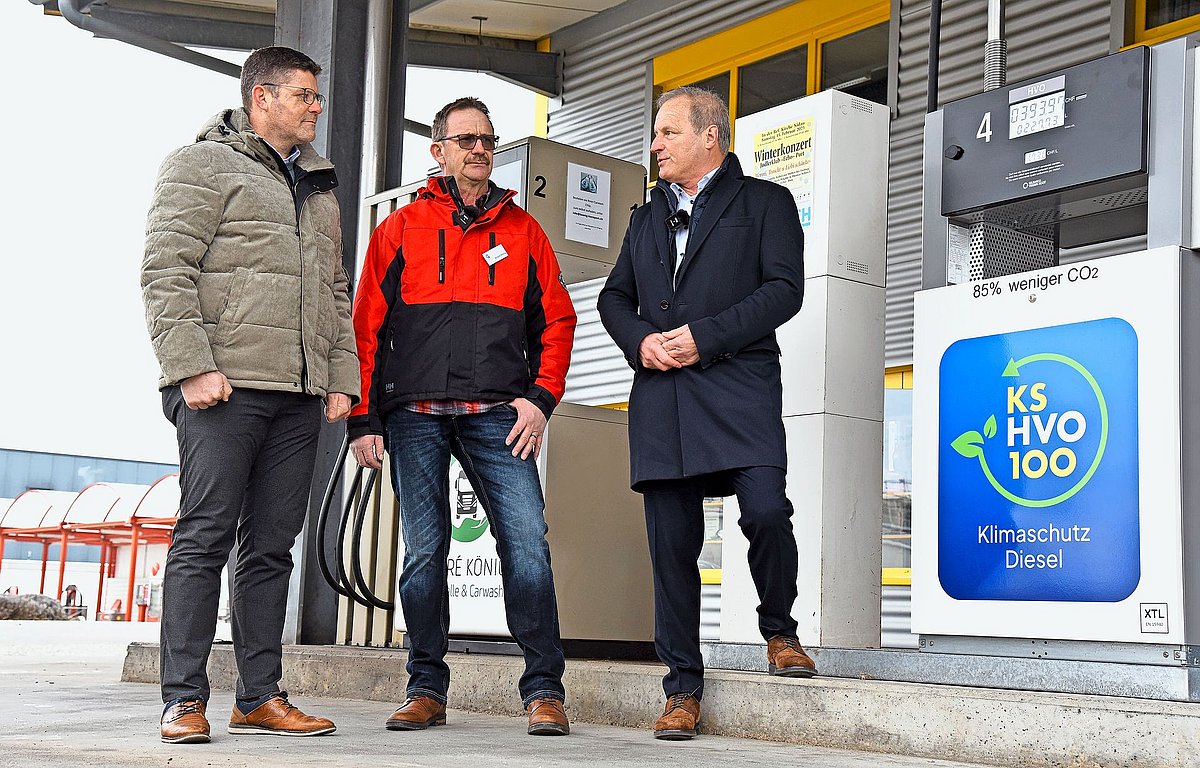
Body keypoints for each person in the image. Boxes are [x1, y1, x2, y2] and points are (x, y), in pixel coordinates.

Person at [141, 46, 359, 744]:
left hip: (298, 393)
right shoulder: (200, 164)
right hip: (222, 388)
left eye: (317, 96)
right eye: (304, 96)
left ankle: (259, 696)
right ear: (261, 97)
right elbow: (166, 270)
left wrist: (341, 376)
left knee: (270, 547)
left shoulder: (319, 184)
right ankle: (182, 699)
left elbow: (335, 291)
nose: (316, 107)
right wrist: (190, 367)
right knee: (204, 536)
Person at [349, 97, 577, 736]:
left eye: (487, 140)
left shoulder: (524, 232)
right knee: (424, 552)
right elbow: (365, 326)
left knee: (527, 545)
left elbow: (558, 320)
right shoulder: (400, 229)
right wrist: (364, 420)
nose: (479, 149)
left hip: (498, 413)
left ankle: (544, 691)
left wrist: (540, 399)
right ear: (438, 150)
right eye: (466, 139)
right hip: (413, 415)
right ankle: (425, 687)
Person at [597, 86, 813, 740]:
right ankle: (682, 689)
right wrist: (640, 341)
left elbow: (785, 290)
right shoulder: (645, 218)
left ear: (709, 136)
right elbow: (613, 299)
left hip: (740, 386)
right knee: (671, 547)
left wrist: (705, 337)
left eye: (667, 132)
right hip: (663, 396)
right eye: (656, 133)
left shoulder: (766, 203)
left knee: (766, 511)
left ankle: (780, 632)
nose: (655, 145)